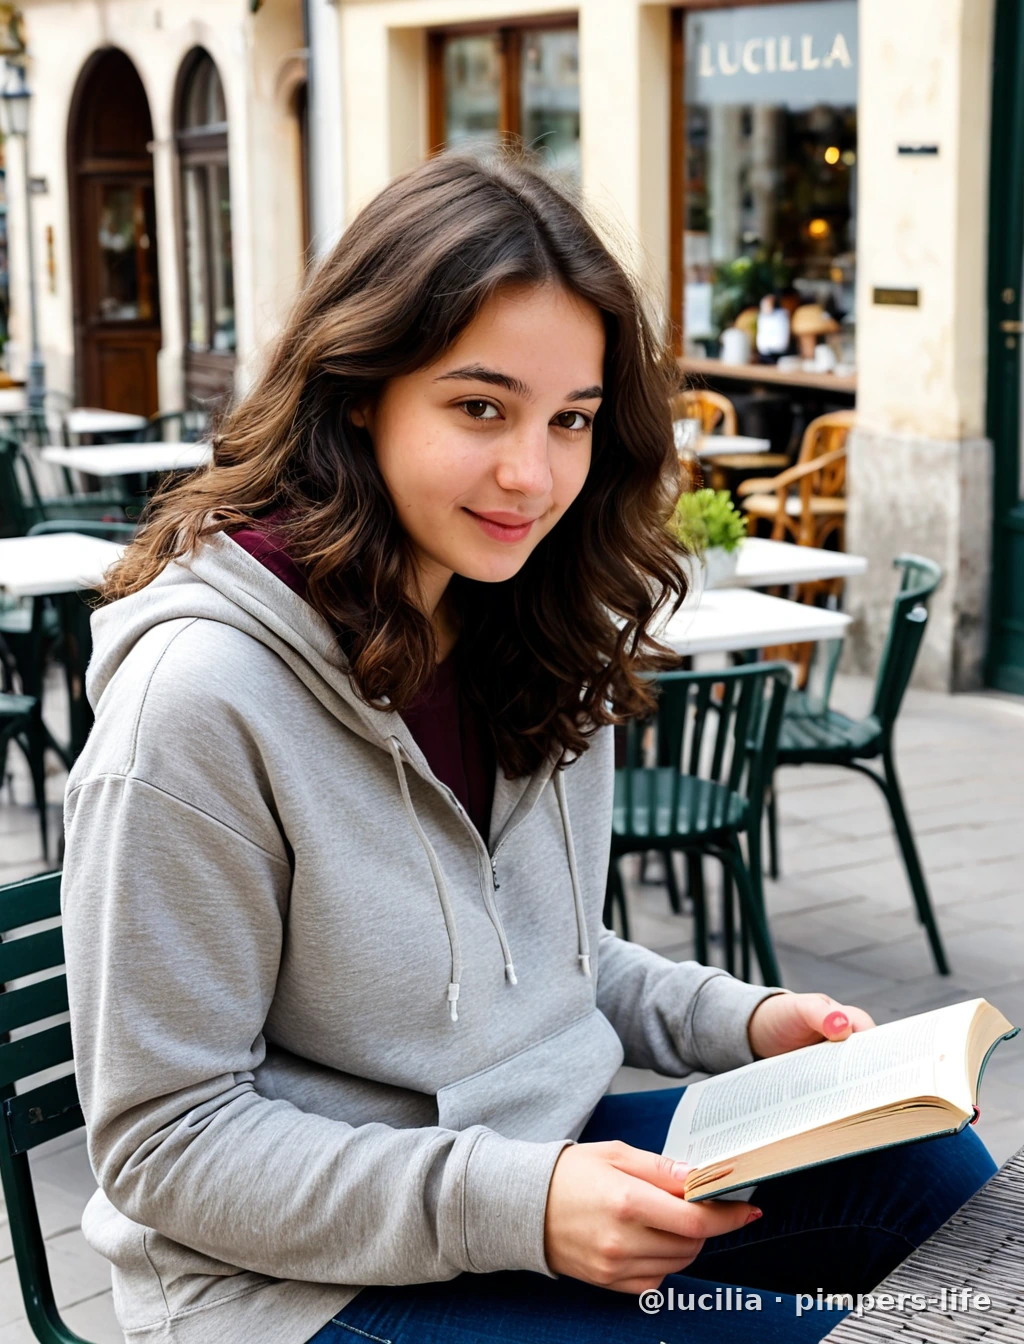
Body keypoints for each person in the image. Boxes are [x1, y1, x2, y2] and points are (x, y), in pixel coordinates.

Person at [62, 153, 995, 1344]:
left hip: (533, 1166)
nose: (532, 475)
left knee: (929, 1166)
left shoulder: (515, 621)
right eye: (480, 407)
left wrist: (742, 1023)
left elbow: (544, 959)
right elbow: (163, 1144)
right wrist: (523, 1204)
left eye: (572, 421)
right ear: (360, 390)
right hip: (294, 1288)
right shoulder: (198, 701)